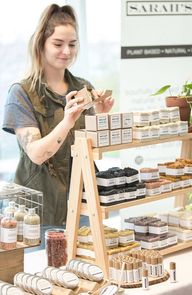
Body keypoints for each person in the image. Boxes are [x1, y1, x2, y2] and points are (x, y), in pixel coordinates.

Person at [2, 4, 114, 225]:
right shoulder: (21, 93)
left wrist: (101, 116)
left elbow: (90, 147)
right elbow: (36, 154)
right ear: (41, 43)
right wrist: (67, 121)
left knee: (83, 260)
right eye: (58, 44)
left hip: (82, 204)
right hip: (37, 212)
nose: (67, 51)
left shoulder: (84, 88)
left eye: (72, 44)